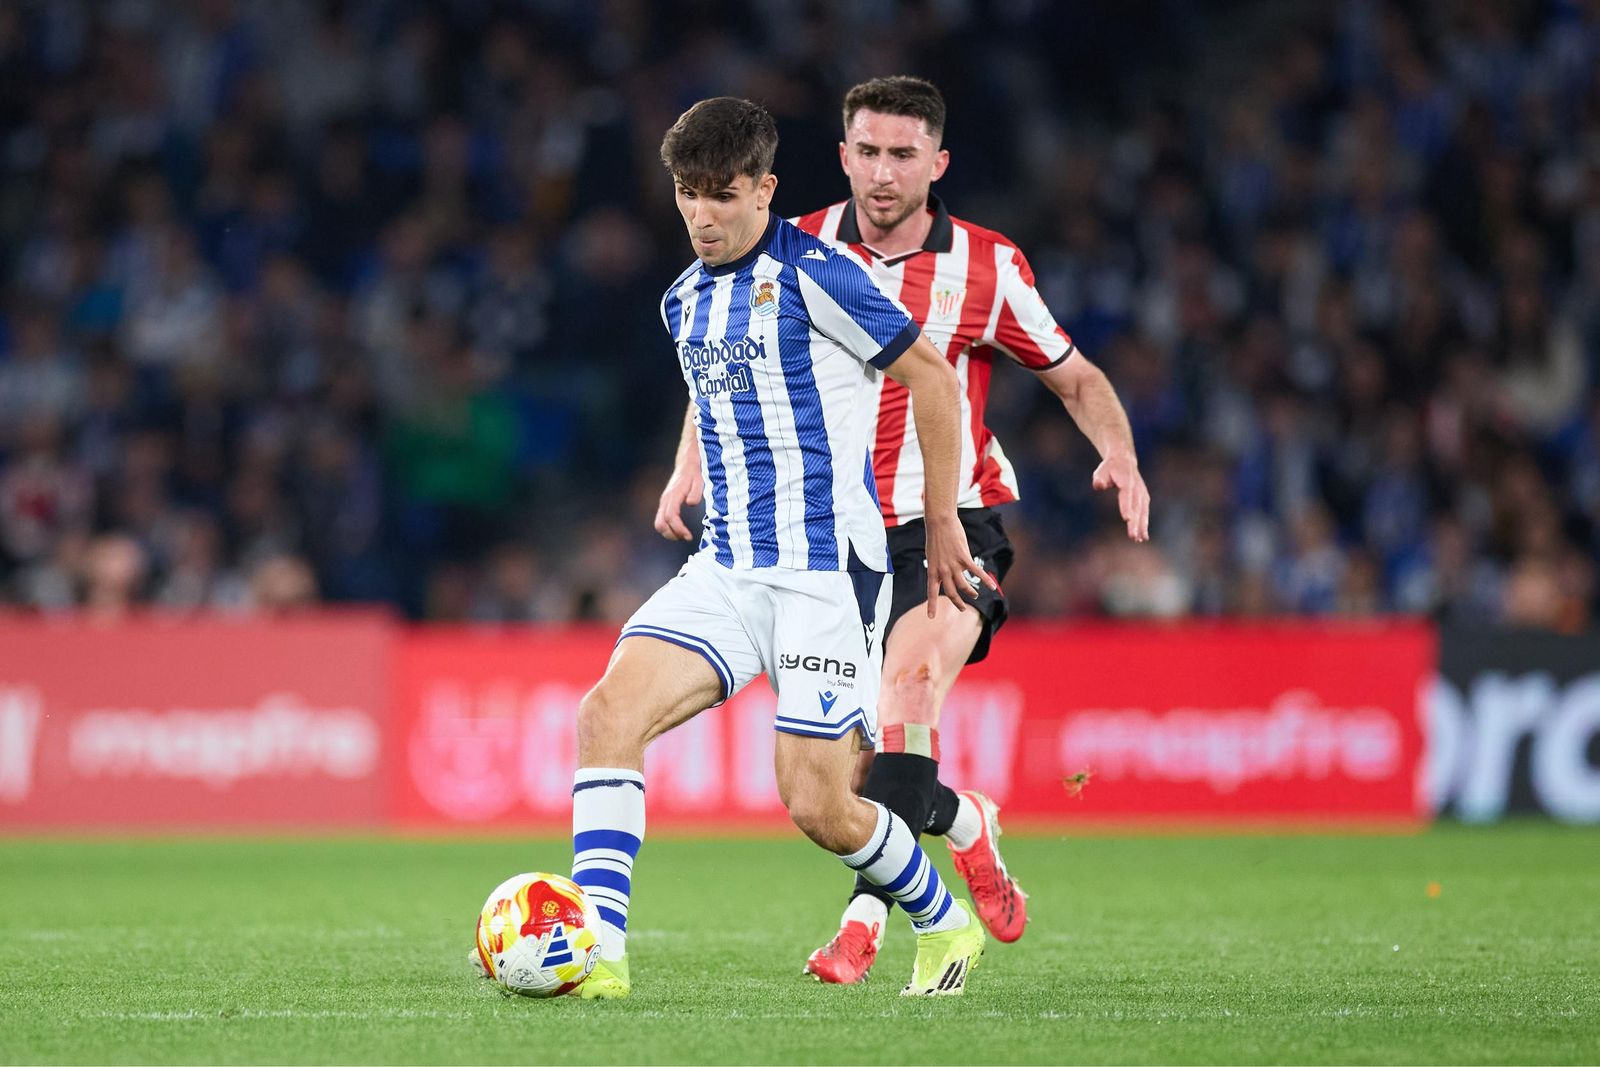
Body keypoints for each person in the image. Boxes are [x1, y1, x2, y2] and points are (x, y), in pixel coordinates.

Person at [572, 96, 1000, 999]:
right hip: (725, 570)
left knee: (819, 805)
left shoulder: (820, 274)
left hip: (824, 579)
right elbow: (722, 404)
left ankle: (942, 919)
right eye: (687, 194)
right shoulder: (681, 299)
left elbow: (929, 375)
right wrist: (684, 467)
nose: (701, 214)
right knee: (604, 716)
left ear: (765, 190)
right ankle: (597, 952)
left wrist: (943, 513)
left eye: (721, 195)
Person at [786, 76, 1151, 983]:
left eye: (902, 155)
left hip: (950, 528)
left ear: (937, 163)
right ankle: (964, 822)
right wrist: (685, 463)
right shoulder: (795, 249)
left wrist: (1122, 453)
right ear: (843, 155)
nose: (881, 172)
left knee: (911, 696)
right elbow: (734, 360)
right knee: (842, 781)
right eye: (866, 151)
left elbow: (1076, 377)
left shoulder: (986, 266)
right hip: (834, 547)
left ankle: (865, 927)